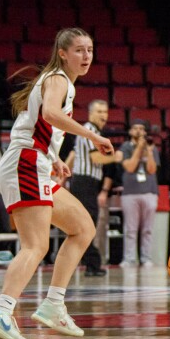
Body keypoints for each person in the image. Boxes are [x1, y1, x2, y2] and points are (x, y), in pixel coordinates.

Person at [0, 27, 115, 339]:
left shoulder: (60, 82)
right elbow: (50, 113)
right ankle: (1, 311)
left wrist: (53, 157)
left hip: (35, 162)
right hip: (25, 163)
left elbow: (40, 122)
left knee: (82, 228)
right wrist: (92, 135)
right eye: (79, 50)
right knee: (35, 246)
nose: (86, 56)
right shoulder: (59, 79)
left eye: (90, 50)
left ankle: (54, 304)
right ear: (63, 53)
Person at [67, 100, 123, 277]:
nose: (103, 115)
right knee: (88, 224)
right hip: (85, 182)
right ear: (90, 113)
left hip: (86, 182)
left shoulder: (93, 132)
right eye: (99, 111)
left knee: (86, 224)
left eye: (105, 112)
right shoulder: (89, 131)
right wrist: (116, 157)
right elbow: (96, 159)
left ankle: (90, 263)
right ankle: (92, 262)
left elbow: (74, 154)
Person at [119, 119, 160, 268]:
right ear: (130, 131)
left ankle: (146, 258)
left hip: (149, 191)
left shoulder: (151, 148)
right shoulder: (125, 147)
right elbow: (130, 167)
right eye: (135, 128)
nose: (138, 131)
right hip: (130, 192)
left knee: (147, 229)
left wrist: (148, 151)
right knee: (130, 229)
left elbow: (151, 169)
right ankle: (129, 258)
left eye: (141, 129)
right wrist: (138, 148)